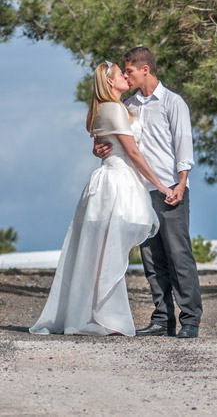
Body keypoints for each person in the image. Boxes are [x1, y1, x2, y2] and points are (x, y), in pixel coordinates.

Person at [30, 62, 170, 336]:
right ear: (109, 82)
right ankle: (105, 317)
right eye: (120, 74)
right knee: (109, 252)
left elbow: (108, 142)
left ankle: (89, 315)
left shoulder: (112, 108)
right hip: (116, 185)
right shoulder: (114, 109)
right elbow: (132, 152)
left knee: (99, 252)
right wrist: (160, 185)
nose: (125, 76)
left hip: (113, 181)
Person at [94, 46, 202, 339]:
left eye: (128, 70)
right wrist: (99, 147)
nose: (125, 75)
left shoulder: (172, 103)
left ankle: (190, 319)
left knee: (178, 255)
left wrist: (181, 183)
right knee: (152, 259)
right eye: (124, 72)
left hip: (170, 190)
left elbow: (184, 146)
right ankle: (162, 319)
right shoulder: (128, 105)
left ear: (145, 69)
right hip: (139, 193)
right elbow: (114, 139)